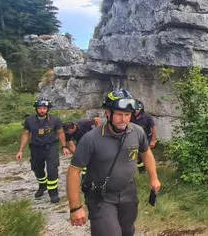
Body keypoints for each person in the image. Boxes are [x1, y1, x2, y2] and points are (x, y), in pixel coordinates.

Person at [67, 89, 161, 236]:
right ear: (107, 113)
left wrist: (154, 177)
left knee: (127, 231)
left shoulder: (137, 132)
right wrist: (75, 207)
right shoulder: (91, 139)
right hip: (101, 197)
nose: (123, 119)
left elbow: (146, 152)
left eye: (127, 115)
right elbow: (74, 171)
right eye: (119, 114)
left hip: (129, 193)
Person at [16, 97, 69, 203]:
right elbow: (26, 135)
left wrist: (64, 146)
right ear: (36, 109)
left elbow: (60, 133)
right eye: (39, 108)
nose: (42, 110)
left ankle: (53, 193)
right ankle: (42, 185)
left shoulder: (55, 120)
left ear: (47, 109)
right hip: (36, 149)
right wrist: (20, 150)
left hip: (51, 148)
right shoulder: (29, 120)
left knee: (52, 170)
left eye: (44, 108)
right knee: (37, 169)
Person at [131, 99, 157, 172]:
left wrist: (153, 141)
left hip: (146, 139)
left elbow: (153, 128)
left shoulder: (148, 117)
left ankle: (144, 171)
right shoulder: (130, 117)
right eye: (134, 109)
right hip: (134, 138)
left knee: (144, 155)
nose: (136, 111)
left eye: (137, 109)